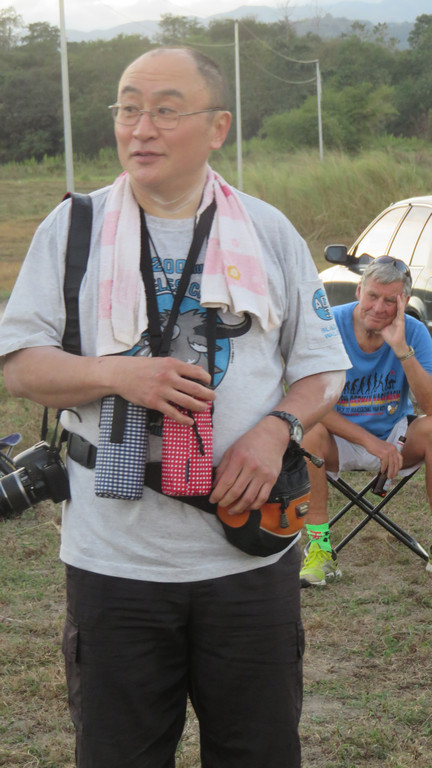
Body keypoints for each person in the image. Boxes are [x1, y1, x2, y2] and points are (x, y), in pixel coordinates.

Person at [0, 47, 350, 767]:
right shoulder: (72, 228)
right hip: (114, 562)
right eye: (128, 108)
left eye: (165, 110)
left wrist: (276, 430)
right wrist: (117, 375)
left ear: (218, 127)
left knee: (257, 751)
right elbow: (19, 365)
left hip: (248, 556)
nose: (141, 128)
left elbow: (322, 369)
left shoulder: (267, 231)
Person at [300, 255, 432, 587]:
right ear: (359, 290)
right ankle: (319, 550)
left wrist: (401, 349)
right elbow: (311, 403)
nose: (379, 307)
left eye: (390, 301)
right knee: (308, 432)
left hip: (396, 436)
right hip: (337, 438)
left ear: (403, 302)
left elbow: (430, 407)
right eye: (373, 295)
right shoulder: (329, 326)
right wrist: (371, 443)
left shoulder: (414, 332)